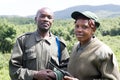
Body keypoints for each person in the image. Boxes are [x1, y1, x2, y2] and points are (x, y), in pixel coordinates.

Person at [9, 7, 69, 80]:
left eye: (49, 17)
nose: (46, 19)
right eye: (42, 16)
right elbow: (14, 70)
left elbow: (66, 69)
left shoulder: (59, 43)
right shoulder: (23, 40)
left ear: (52, 21)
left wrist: (56, 75)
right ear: (35, 19)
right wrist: (35, 74)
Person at [64, 11, 120, 80]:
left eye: (84, 27)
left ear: (93, 30)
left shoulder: (103, 52)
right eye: (77, 26)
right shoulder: (75, 47)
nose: (79, 30)